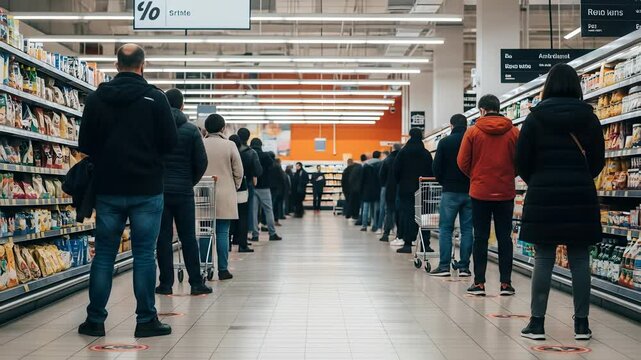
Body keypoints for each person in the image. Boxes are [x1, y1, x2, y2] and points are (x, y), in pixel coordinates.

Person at [77, 44, 177, 338]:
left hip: (108, 189)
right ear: (142, 65)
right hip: (146, 189)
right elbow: (170, 143)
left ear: (116, 64)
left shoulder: (96, 99)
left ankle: (95, 320)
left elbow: (85, 144)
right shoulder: (156, 99)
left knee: (105, 255)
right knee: (145, 255)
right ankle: (146, 320)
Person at [517, 64, 605, 341]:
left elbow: (521, 162)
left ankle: (537, 323)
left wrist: (539, 179)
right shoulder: (590, 119)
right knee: (580, 258)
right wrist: (581, 176)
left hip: (544, 192)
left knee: (543, 258)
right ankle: (581, 325)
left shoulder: (534, 120)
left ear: (548, 86)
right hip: (580, 193)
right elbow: (598, 161)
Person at [457, 94, 520, 297]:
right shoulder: (514, 132)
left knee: (480, 237)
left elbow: (462, 161)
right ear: (498, 108)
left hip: (480, 192)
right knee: (504, 238)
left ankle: (480, 283)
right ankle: (505, 284)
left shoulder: (472, 132)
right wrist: (509, 175)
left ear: (482, 110)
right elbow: (521, 160)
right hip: (505, 191)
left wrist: (476, 176)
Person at [155, 89, 212, 295]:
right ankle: (196, 283)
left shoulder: (156, 129)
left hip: (160, 192)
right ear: (182, 106)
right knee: (188, 237)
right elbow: (202, 162)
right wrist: (189, 181)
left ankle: (165, 283)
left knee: (163, 238)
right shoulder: (191, 130)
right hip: (184, 193)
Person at [430, 114, 473, 278]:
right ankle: (464, 267)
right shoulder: (472, 140)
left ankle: (444, 267)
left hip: (450, 191)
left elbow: (436, 167)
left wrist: (444, 182)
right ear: (466, 124)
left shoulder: (445, 142)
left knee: (446, 229)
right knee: (467, 229)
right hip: (470, 191)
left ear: (451, 125)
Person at [202, 114, 243, 280]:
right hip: (225, 193)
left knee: (204, 231)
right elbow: (238, 171)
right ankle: (223, 269)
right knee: (223, 232)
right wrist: (234, 186)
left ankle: (204, 267)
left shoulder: (200, 143)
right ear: (222, 128)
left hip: (203, 193)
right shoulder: (230, 145)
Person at [394, 129, 434, 254]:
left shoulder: (402, 152)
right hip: (423, 189)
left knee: (408, 216)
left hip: (406, 190)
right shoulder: (426, 153)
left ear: (410, 136)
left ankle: (407, 244)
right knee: (424, 217)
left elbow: (396, 171)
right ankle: (425, 245)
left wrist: (400, 182)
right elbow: (432, 171)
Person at [250, 138, 283, 241]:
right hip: (264, 187)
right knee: (268, 210)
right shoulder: (266, 156)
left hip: (253, 186)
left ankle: (255, 235)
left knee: (254, 212)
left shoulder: (250, 154)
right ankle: (272, 233)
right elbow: (271, 166)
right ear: (261, 145)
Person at [229, 134, 254, 253]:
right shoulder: (246, 154)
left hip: (228, 189)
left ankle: (228, 243)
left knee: (228, 217)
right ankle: (242, 245)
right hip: (242, 188)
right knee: (243, 217)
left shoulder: (227, 153)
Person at [237, 128, 263, 242]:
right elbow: (258, 171)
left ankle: (234, 238)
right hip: (246, 185)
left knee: (233, 213)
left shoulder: (233, 150)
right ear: (248, 138)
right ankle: (244, 240)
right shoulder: (252, 152)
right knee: (246, 212)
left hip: (232, 185)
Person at [380, 144, 402, 243]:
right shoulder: (403, 158)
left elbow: (381, 175)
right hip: (401, 188)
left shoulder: (387, 160)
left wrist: (385, 183)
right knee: (400, 212)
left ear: (392, 149)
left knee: (389, 211)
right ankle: (399, 234)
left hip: (389, 188)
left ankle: (386, 234)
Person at [360, 151, 383, 231]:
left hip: (366, 190)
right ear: (379, 156)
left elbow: (362, 179)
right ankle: (375, 225)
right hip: (377, 189)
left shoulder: (365, 166)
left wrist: (361, 190)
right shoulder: (381, 165)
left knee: (365, 208)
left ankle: (364, 225)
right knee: (375, 209)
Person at [349, 155, 367, 225]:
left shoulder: (355, 169)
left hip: (355, 190)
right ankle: (362, 219)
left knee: (358, 204)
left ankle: (357, 217)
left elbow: (351, 179)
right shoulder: (366, 167)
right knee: (363, 205)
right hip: (363, 190)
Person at [270, 158, 287, 224]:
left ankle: (269, 221)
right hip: (278, 190)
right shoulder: (278, 168)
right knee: (276, 206)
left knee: (271, 206)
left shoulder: (270, 166)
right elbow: (282, 179)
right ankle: (276, 220)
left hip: (271, 189)